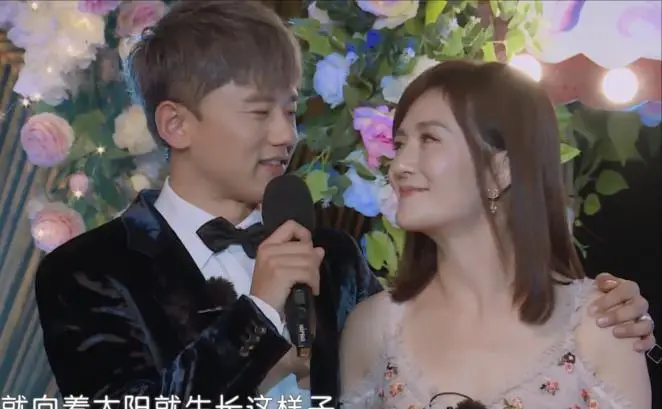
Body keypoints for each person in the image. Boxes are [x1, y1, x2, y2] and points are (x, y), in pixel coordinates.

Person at [34, 2, 653, 408]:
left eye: (290, 110)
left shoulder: (333, 255)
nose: (285, 135)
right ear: (176, 124)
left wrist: (612, 312)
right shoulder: (86, 271)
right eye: (260, 112)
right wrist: (259, 314)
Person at [338, 60, 656, 409]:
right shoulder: (374, 329)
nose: (399, 166)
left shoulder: (601, 326)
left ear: (501, 169)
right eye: (399, 145)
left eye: (429, 139)